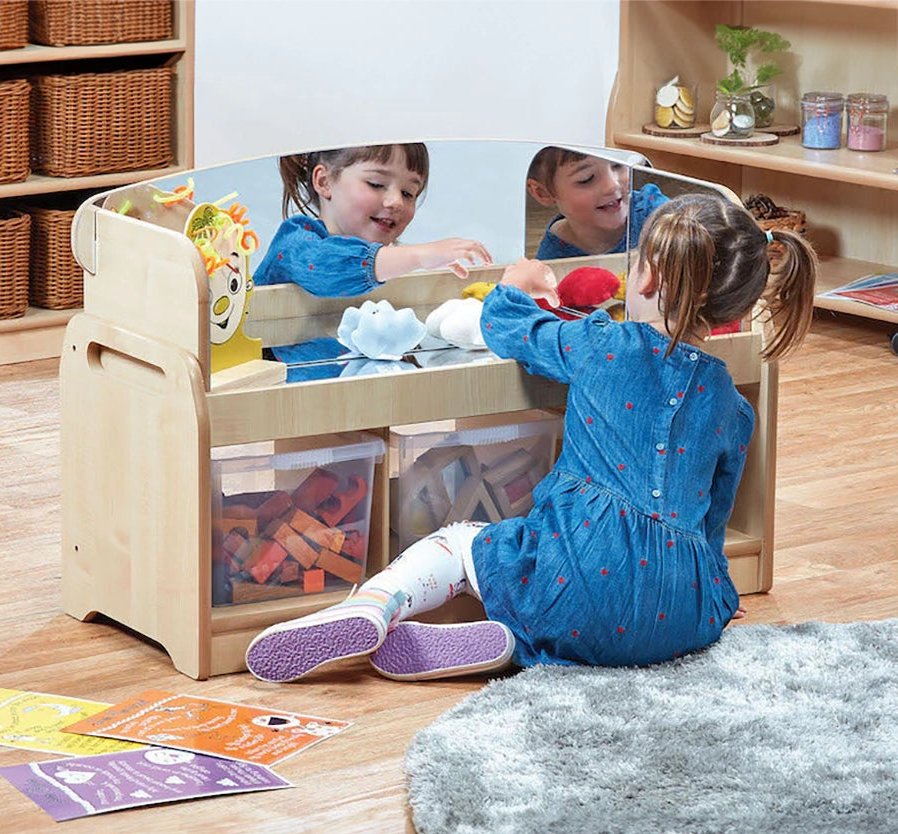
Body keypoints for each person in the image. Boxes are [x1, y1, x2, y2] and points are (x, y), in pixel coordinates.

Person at [245, 192, 817, 683]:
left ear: (646, 276)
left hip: (578, 579)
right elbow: (712, 524)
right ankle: (515, 646)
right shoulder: (732, 405)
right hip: (683, 611)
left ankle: (374, 606)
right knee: (610, 599)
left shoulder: (602, 345)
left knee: (461, 541)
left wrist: (511, 285)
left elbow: (509, 329)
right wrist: (709, 591)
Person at [253, 143, 493, 296]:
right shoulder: (295, 243)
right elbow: (328, 268)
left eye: (408, 193)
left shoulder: (391, 267)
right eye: (376, 184)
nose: (396, 202)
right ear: (324, 182)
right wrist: (419, 256)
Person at [526, 145, 669, 260]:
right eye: (586, 178)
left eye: (618, 165)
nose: (612, 185)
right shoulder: (552, 259)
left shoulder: (657, 213)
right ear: (542, 192)